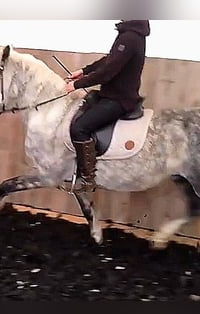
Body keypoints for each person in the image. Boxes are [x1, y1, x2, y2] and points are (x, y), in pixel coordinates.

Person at [65, 20, 150, 192]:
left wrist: (76, 85)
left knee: (79, 128)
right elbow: (109, 60)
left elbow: (107, 72)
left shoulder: (130, 37)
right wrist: (84, 71)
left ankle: (88, 180)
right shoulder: (130, 34)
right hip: (110, 95)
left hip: (119, 100)